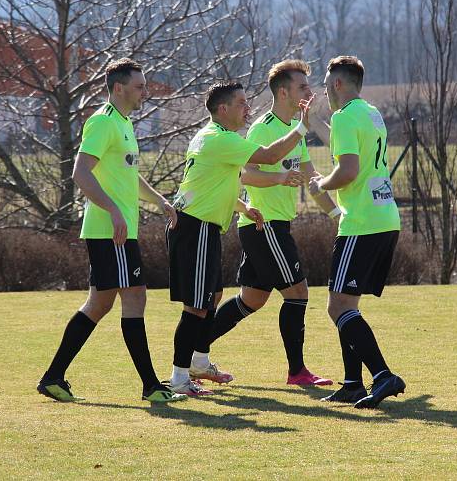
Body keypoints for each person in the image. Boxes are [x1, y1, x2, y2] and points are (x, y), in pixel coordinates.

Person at [37, 58, 186, 404]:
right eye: (140, 86)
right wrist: (114, 211)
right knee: (134, 297)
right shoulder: (103, 122)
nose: (145, 92)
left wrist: (160, 201)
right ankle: (151, 386)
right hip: (111, 232)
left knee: (99, 303)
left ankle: (53, 377)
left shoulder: (123, 122)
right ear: (118, 88)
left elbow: (129, 175)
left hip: (117, 231)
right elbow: (80, 173)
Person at [191, 60, 337, 386]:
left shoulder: (294, 133)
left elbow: (312, 179)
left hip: (273, 225)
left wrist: (337, 214)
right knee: (298, 293)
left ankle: (192, 355)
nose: (309, 93)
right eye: (302, 87)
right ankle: (297, 372)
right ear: (283, 92)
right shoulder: (262, 128)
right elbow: (246, 174)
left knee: (251, 300)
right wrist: (281, 176)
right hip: (265, 225)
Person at [165, 80, 313, 396]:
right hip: (196, 228)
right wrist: (302, 128)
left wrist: (245, 206)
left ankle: (200, 363)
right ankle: (179, 378)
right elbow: (271, 155)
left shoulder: (210, 137)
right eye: (242, 103)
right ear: (223, 109)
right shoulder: (222, 139)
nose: (247, 109)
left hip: (202, 227)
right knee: (197, 306)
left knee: (213, 298)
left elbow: (213, 184)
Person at [308, 56, 406, 409]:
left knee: (338, 307)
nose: (322, 89)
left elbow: (347, 169)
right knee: (349, 305)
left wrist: (321, 184)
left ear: (336, 84)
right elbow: (347, 146)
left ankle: (382, 375)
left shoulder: (345, 116)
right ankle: (352, 383)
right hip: (384, 219)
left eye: (324, 83)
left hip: (360, 223)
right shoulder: (370, 113)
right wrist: (315, 123)